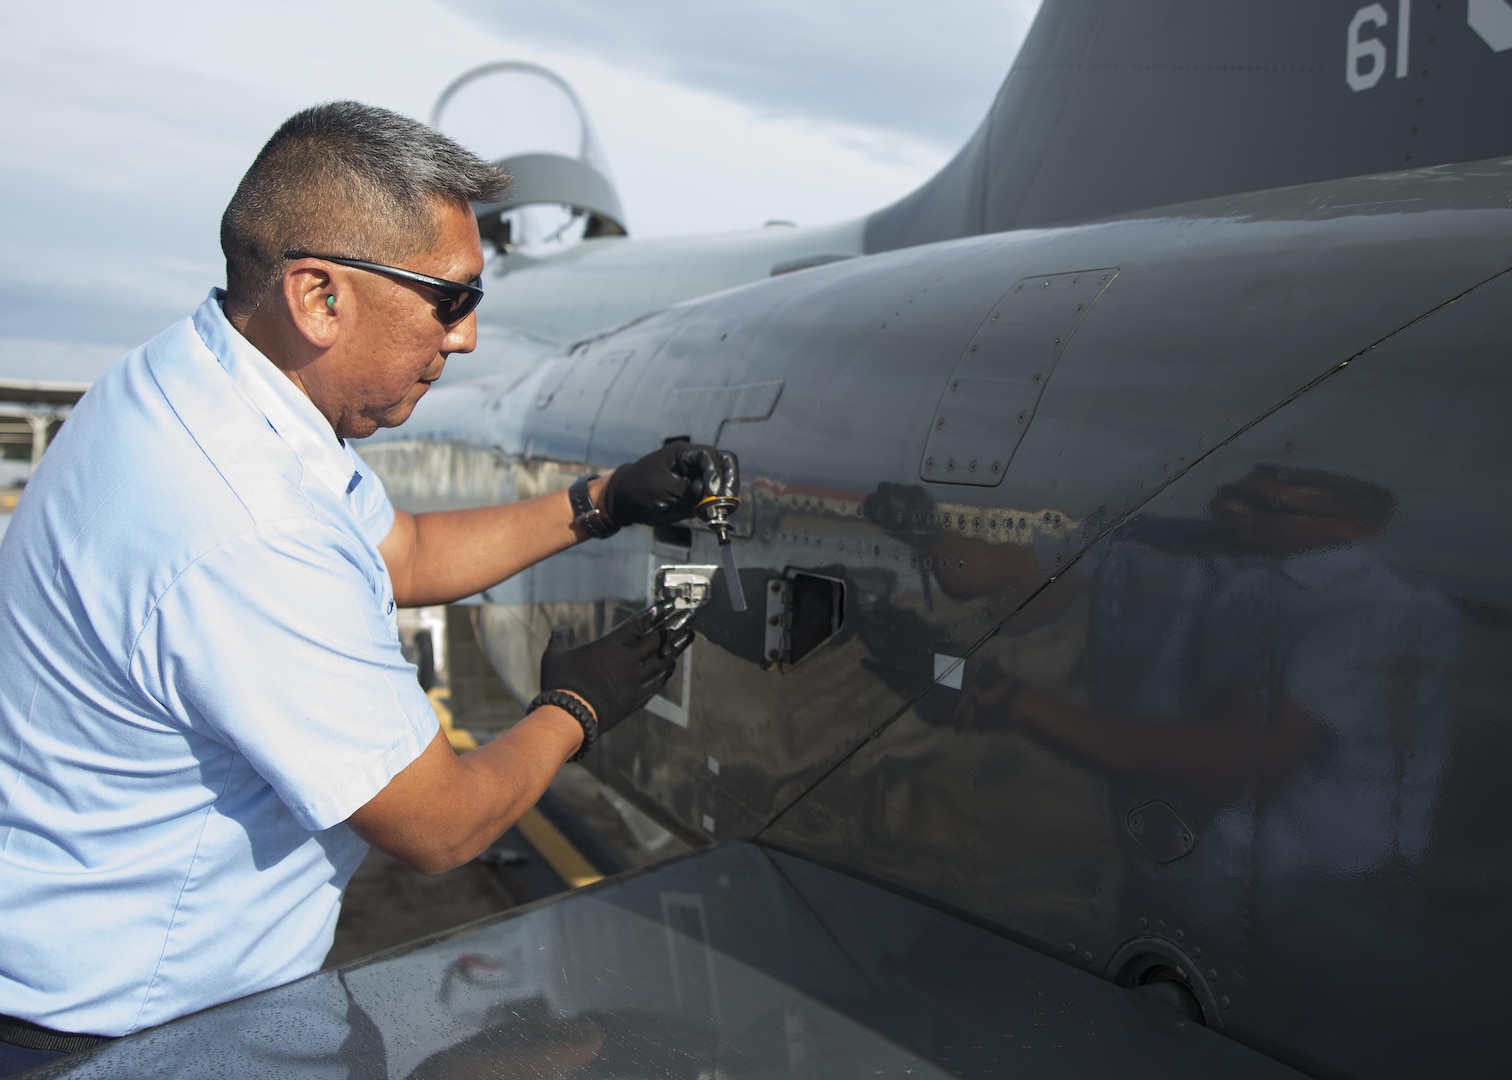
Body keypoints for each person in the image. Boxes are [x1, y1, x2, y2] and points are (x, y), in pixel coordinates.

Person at [0, 101, 737, 1073]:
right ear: (320, 298)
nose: (466, 339)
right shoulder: (245, 519)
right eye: (451, 299)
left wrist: (601, 500)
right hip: (137, 1032)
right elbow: (441, 825)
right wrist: (575, 707)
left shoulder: (207, 388)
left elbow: (409, 553)